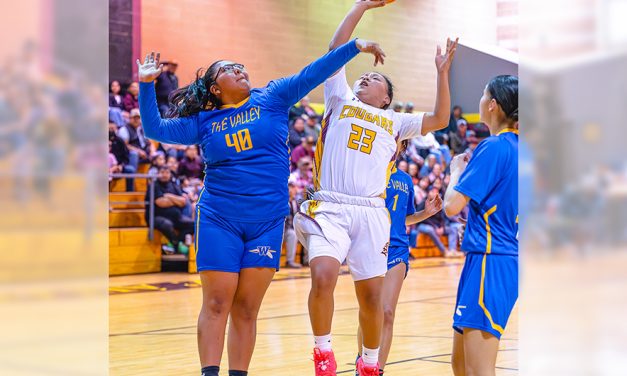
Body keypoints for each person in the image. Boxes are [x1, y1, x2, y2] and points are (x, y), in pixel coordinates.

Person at [137, 34, 385, 376]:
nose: (239, 69)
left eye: (240, 65)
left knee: (246, 308)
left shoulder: (271, 97)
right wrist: (147, 85)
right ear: (214, 88)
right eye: (228, 69)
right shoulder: (203, 123)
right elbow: (155, 128)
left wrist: (353, 47)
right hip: (219, 218)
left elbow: (314, 72)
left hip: (266, 222)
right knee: (216, 302)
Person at [292, 2, 457, 375]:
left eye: (374, 79)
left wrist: (442, 73)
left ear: (386, 97)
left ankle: (369, 363)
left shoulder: (397, 121)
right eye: (362, 77)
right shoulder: (339, 98)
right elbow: (334, 51)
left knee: (371, 300)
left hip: (371, 211)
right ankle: (323, 352)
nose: (364, 79)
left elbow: (441, 118)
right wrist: (362, 6)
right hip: (330, 205)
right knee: (323, 275)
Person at [443, 75, 518, 376]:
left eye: (483, 94)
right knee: (460, 365)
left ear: (493, 105)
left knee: (477, 370)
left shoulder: (494, 147)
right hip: (492, 258)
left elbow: (451, 206)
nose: (480, 100)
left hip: (492, 260)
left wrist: (455, 172)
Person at [356, 151, 442, 375]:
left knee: (387, 311)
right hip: (370, 245)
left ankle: (376, 370)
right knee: (369, 307)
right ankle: (363, 360)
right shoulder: (366, 169)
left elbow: (404, 217)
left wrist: (426, 213)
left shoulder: (405, 179)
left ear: (402, 145)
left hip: (397, 248)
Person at [145, 166, 195, 255]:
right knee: (167, 225)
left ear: (170, 174)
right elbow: (160, 202)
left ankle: (176, 242)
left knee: (194, 224)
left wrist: (168, 196)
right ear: (158, 174)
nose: (165, 175)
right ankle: (176, 244)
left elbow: (183, 202)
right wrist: (176, 201)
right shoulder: (153, 185)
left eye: (167, 172)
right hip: (157, 217)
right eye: (162, 172)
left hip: (176, 216)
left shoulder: (174, 185)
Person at [284, 182, 302, 268]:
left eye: (294, 189)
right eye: (290, 189)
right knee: (292, 234)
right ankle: (288, 261)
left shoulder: (296, 202)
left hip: (291, 229)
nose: (292, 191)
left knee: (305, 233)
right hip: (282, 229)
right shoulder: (283, 201)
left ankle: (306, 261)